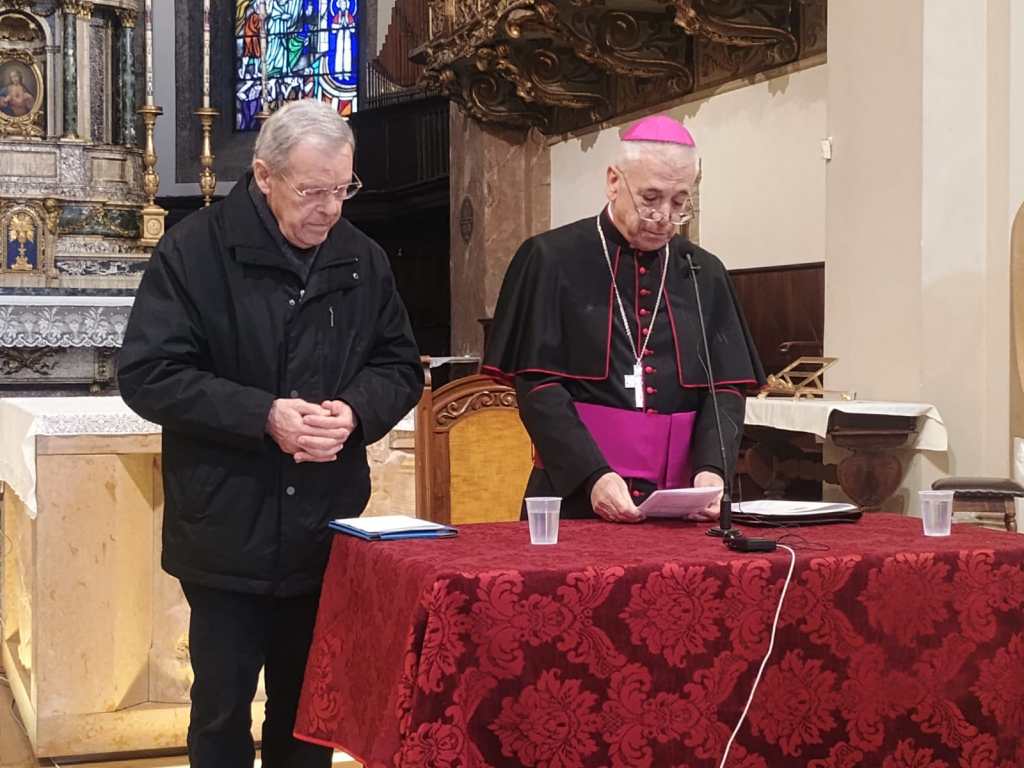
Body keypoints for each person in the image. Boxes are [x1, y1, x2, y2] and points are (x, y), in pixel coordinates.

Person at [118, 99, 422, 767]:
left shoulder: (361, 259)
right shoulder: (193, 251)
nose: (331, 209)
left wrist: (357, 412)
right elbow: (147, 374)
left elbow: (399, 364)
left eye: (343, 190)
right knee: (222, 711)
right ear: (264, 176)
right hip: (226, 523)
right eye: (313, 191)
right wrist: (264, 416)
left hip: (324, 528)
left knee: (310, 713)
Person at [483, 115, 764, 524]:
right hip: (575, 495)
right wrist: (591, 475)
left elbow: (725, 389)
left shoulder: (704, 271)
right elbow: (538, 387)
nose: (664, 216)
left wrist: (712, 470)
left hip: (679, 505)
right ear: (614, 181)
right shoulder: (550, 260)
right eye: (650, 198)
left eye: (680, 201)